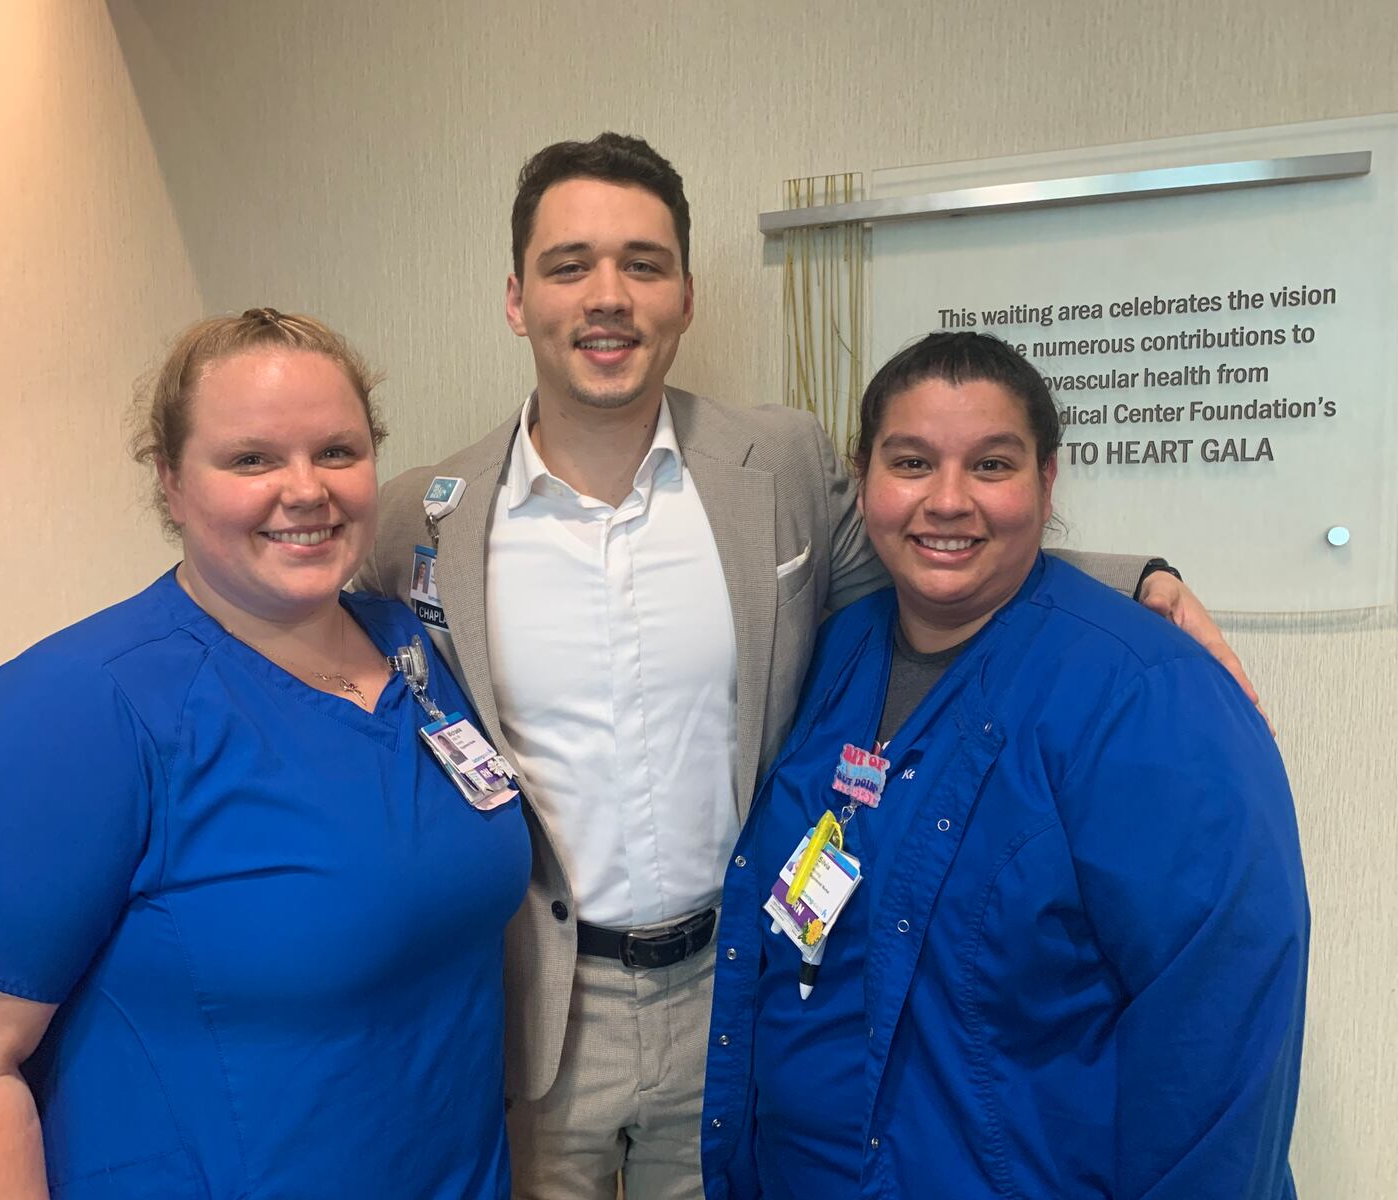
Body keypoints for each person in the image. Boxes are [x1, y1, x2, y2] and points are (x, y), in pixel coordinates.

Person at [356, 134, 1254, 1199]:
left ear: (685, 296)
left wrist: (1135, 579)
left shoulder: (772, 465)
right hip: (543, 1013)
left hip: (731, 989)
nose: (608, 297)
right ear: (517, 298)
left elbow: (922, 547)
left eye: (643, 265)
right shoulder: (424, 514)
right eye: (569, 265)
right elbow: (327, 647)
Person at [0, 309, 531, 1200]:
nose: (306, 490)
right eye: (251, 459)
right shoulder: (74, 711)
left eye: (337, 452)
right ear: (171, 480)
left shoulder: (415, 654)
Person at [700, 332, 1308, 1199]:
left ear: (1047, 482)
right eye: (911, 462)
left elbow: (1223, 1031)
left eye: (992, 466)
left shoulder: (1148, 697)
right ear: (863, 476)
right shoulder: (836, 655)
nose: (947, 501)